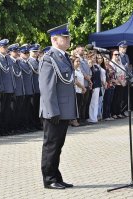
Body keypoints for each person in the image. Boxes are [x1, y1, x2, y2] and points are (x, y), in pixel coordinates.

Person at [40, 23, 77, 189]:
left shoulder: (63, 57)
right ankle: (49, 179)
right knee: (51, 146)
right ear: (54, 40)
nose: (68, 39)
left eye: (68, 37)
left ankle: (56, 176)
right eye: (65, 37)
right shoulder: (49, 59)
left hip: (63, 110)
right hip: (54, 112)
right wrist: (52, 111)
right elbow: (47, 88)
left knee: (58, 146)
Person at [75, 45, 92, 124]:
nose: (83, 51)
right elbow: (82, 71)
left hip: (87, 83)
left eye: (83, 50)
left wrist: (89, 79)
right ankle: (80, 119)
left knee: (85, 103)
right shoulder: (77, 60)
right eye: (81, 50)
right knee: (80, 103)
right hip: (82, 84)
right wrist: (88, 79)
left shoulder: (85, 60)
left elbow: (88, 71)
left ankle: (83, 118)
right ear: (77, 51)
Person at [28, 44, 42, 130]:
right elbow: (38, 70)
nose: (36, 53)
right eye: (34, 51)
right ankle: (34, 124)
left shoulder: (38, 61)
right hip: (34, 87)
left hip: (38, 87)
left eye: (37, 51)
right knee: (33, 108)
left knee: (37, 107)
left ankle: (37, 123)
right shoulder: (30, 61)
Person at [72, 57, 86, 127]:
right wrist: (83, 88)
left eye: (79, 61)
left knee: (80, 105)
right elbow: (76, 81)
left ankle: (78, 120)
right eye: (76, 61)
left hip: (80, 90)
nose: (78, 63)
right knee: (75, 106)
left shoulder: (79, 70)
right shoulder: (73, 70)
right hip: (75, 90)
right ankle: (74, 121)